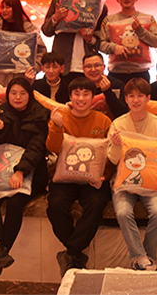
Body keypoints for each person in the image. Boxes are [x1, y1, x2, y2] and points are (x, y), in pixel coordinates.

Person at [0, 78, 50, 276]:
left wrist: (20, 171)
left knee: (16, 202)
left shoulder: (40, 115)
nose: (18, 97)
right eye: (13, 93)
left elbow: (36, 147)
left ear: (29, 95)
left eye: (23, 93)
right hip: (1, 172)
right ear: (8, 95)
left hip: (32, 172)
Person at [46, 77, 113, 275]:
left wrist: (106, 175)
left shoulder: (103, 121)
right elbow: (52, 148)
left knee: (97, 204)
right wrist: (57, 126)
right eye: (77, 94)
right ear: (70, 96)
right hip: (63, 177)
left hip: (92, 179)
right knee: (55, 205)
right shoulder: (61, 117)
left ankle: (71, 253)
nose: (81, 98)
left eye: (86, 94)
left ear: (93, 97)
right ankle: (75, 254)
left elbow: (111, 153)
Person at [107, 78, 157, 271]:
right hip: (123, 183)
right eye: (131, 96)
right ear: (126, 99)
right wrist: (117, 146)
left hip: (152, 183)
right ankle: (141, 257)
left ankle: (147, 257)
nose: (136, 100)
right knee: (122, 211)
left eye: (140, 96)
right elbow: (112, 160)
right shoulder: (117, 124)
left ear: (148, 98)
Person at [42, 0, 107, 86]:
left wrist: (90, 39)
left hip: (88, 66)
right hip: (62, 63)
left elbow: (102, 36)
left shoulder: (99, 5)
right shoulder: (59, 0)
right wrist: (56, 18)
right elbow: (46, 31)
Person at [98, 0, 157, 85]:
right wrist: (114, 47)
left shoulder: (148, 19)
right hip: (116, 73)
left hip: (141, 72)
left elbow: (156, 42)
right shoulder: (108, 20)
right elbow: (100, 44)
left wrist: (140, 30)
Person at [0, 0, 46, 86]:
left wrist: (34, 68)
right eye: (2, 8)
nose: (4, 10)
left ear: (16, 9)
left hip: (21, 77)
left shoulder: (30, 29)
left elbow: (41, 51)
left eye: (8, 7)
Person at [80, 52, 129, 119]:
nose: (93, 69)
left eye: (97, 65)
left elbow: (122, 112)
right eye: (88, 66)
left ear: (104, 67)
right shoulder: (79, 86)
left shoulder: (117, 85)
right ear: (83, 69)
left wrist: (108, 91)